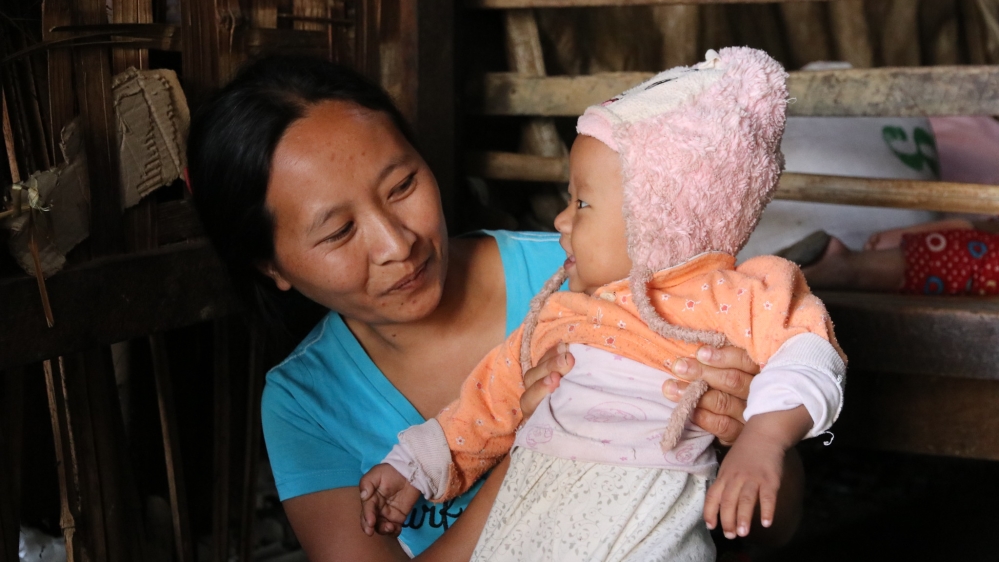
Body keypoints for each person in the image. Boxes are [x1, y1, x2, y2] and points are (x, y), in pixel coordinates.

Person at [186, 54, 804, 561]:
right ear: (271, 267)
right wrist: (532, 447)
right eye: (339, 232)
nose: (395, 244)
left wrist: (750, 432)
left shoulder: (591, 274)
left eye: (402, 187)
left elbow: (774, 529)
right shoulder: (304, 402)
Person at [359, 48, 846, 561]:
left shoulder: (732, 294)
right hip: (535, 517)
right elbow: (486, 403)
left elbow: (811, 351)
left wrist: (764, 439)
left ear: (659, 213)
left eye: (581, 203)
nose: (560, 222)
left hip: (645, 528)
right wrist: (412, 467)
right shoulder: (563, 315)